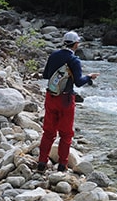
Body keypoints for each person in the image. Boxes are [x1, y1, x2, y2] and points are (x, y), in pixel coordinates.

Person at [37, 31, 98, 172]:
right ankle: (62, 165)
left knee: (48, 132)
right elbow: (78, 83)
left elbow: (46, 75)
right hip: (66, 100)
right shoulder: (74, 60)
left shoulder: (53, 55)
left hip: (51, 97)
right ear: (76, 44)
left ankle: (41, 163)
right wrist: (89, 77)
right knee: (66, 134)